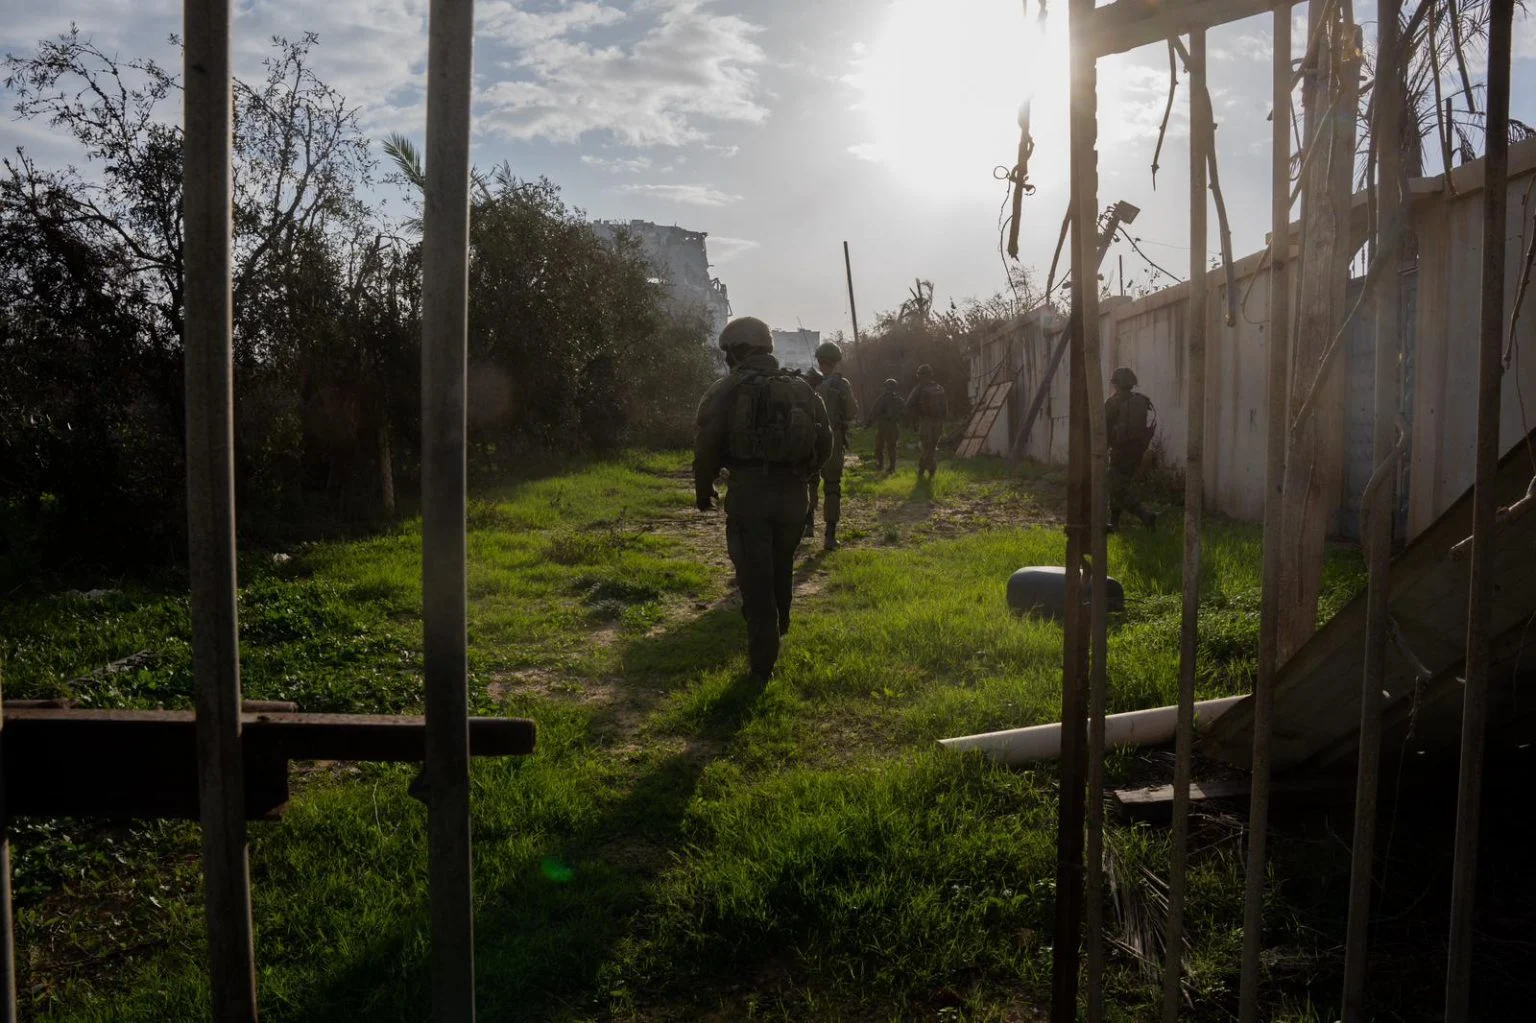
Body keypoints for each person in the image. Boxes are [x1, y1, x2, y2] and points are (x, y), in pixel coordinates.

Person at [694, 317, 832, 682]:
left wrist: (703, 485)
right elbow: (826, 443)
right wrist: (803, 474)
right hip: (793, 496)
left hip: (750, 494)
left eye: (728, 352)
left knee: (755, 580)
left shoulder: (727, 389)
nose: (726, 360)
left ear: (739, 350)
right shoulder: (802, 388)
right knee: (781, 564)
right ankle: (780, 625)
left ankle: (761, 667)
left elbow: (706, 441)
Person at [807, 341, 858, 550]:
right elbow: (851, 413)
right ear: (836, 361)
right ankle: (829, 535)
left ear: (819, 360)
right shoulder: (842, 384)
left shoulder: (808, 381)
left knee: (810, 481)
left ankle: (807, 523)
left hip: (811, 437)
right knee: (832, 485)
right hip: (833, 436)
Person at [1104, 366, 1158, 531]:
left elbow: (1104, 428)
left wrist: (1102, 449)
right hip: (1137, 453)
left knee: (1116, 487)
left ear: (1116, 384)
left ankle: (1145, 515)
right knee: (1119, 485)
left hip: (1120, 452)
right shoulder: (1141, 401)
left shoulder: (1113, 402)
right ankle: (1114, 523)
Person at [906, 364, 948, 480]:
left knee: (927, 447)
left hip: (925, 422)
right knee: (931, 448)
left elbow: (908, 405)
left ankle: (931, 470)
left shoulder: (919, 388)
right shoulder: (939, 387)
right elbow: (945, 407)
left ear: (919, 375)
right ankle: (921, 469)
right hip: (938, 423)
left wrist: (913, 421)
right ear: (931, 374)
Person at [866, 377, 905, 472]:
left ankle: (880, 465)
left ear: (886, 387)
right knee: (892, 447)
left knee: (879, 447)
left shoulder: (882, 398)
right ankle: (892, 467)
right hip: (894, 427)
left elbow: (875, 411)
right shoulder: (900, 400)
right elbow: (904, 413)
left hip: (883, 427)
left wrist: (868, 423)